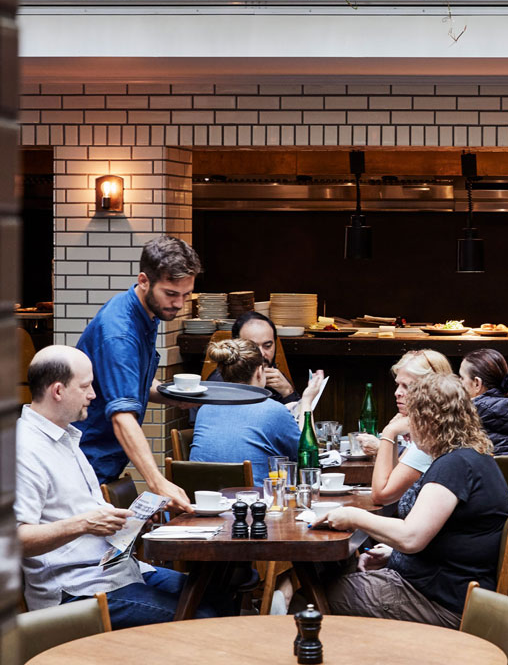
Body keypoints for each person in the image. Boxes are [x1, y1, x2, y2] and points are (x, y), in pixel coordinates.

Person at [16, 346, 230, 626]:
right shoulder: (24, 449)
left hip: (116, 571)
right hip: (76, 590)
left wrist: (131, 518)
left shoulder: (65, 435)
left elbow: (83, 512)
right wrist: (84, 524)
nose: (93, 395)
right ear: (58, 391)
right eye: (85, 386)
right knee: (204, 618)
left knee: (219, 594)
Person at [320, 372, 508, 627]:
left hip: (442, 602)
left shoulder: (454, 466)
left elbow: (411, 537)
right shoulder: (473, 456)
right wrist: (393, 555)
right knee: (334, 578)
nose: (409, 427)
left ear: (428, 420)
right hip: (454, 590)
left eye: (412, 417)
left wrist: (353, 516)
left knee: (314, 598)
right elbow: (456, 537)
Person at [74, 235, 202, 512]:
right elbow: (121, 417)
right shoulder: (120, 332)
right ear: (144, 280)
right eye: (171, 293)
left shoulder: (145, 311)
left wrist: (174, 397)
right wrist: (157, 483)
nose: (179, 304)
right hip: (85, 463)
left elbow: (130, 382)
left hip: (102, 461)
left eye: (186, 294)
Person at [189, 338, 321, 484]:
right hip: (257, 501)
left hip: (202, 500)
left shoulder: (205, 410)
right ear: (259, 371)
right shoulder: (272, 411)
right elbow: (307, 457)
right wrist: (307, 401)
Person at [359, 349, 453, 509]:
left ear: (431, 389)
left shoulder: (431, 435)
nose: (397, 393)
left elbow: (381, 496)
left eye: (407, 386)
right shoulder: (443, 422)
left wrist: (389, 432)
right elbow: (395, 476)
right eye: (397, 385)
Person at [207, 311, 298, 402]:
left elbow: (301, 415)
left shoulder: (277, 377)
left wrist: (288, 393)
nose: (262, 353)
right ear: (237, 345)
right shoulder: (220, 382)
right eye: (253, 347)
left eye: (267, 346)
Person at [459, 348, 508, 456]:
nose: (459, 382)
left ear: (477, 383)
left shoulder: (470, 413)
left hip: (486, 472)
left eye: (462, 377)